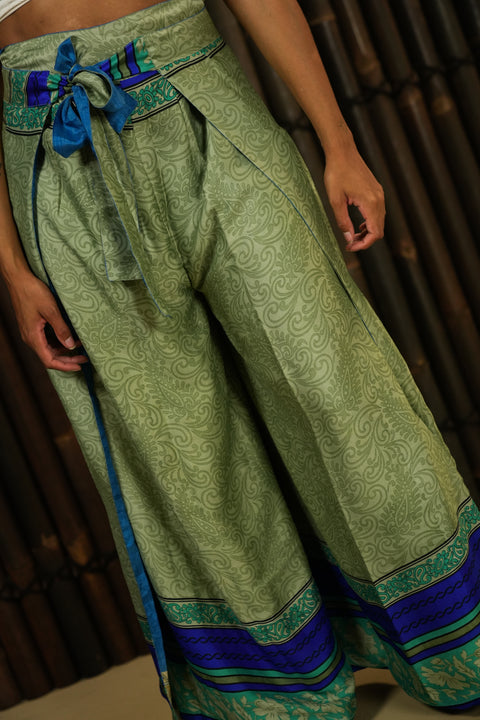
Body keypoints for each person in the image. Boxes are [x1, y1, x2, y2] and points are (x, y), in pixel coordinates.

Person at [0, 0, 479, 718]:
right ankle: (280, 698)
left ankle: (456, 649)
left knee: (333, 385)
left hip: (196, 94)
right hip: (51, 157)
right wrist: (11, 269)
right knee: (183, 452)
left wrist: (339, 143)